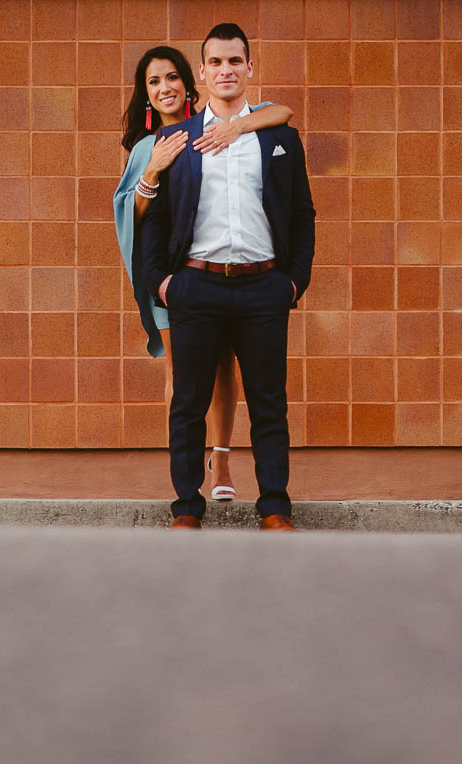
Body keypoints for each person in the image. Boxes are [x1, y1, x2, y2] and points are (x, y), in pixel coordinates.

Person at [138, 23, 315, 531]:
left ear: (249, 68)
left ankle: (275, 506)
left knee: (269, 403)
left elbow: (302, 214)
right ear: (202, 72)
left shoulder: (279, 138)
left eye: (235, 61)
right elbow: (157, 222)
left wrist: (293, 281)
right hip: (196, 285)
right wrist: (162, 283)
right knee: (188, 403)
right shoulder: (177, 139)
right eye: (215, 62)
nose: (226, 70)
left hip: (264, 287)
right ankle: (186, 508)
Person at [113, 45, 291, 502]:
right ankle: (188, 476)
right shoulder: (148, 147)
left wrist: (237, 126)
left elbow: (282, 110)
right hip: (176, 278)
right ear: (145, 95)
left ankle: (222, 459)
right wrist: (153, 170)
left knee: (228, 368)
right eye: (153, 82)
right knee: (185, 377)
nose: (164, 88)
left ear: (189, 83)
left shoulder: (211, 130)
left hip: (231, 273)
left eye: (171, 77)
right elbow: (133, 214)